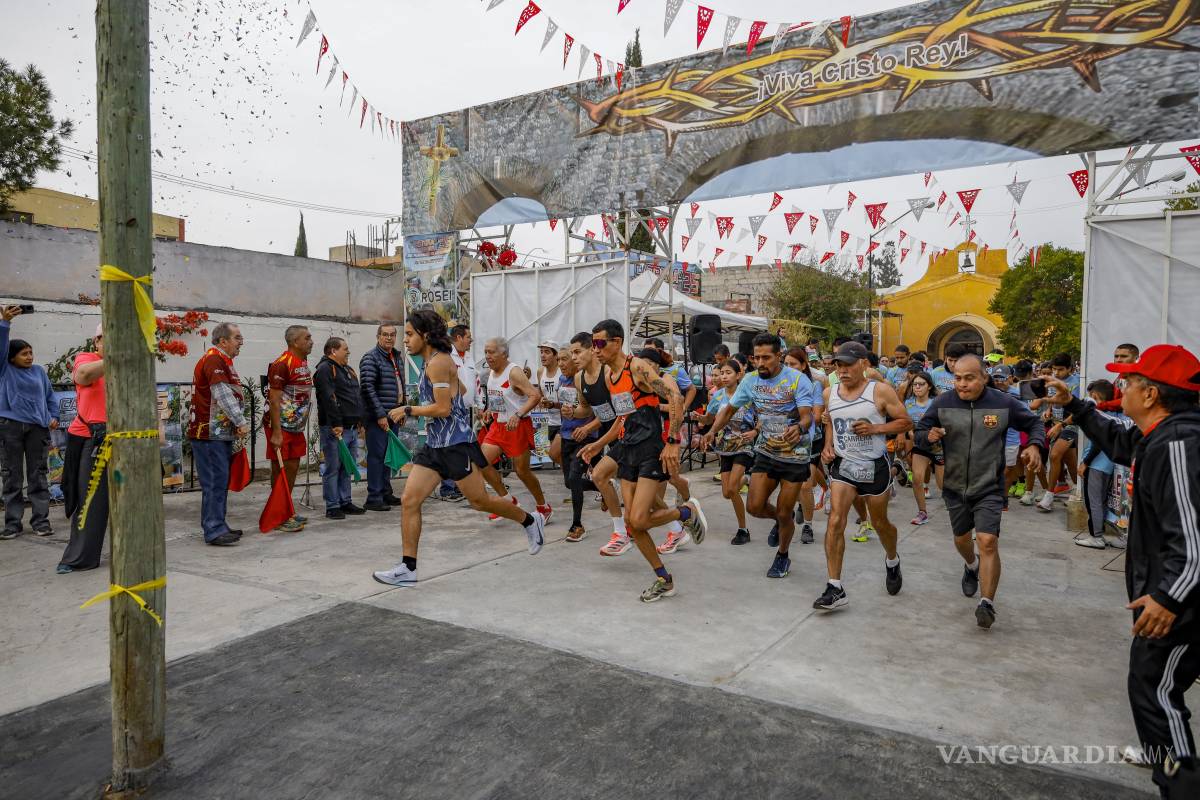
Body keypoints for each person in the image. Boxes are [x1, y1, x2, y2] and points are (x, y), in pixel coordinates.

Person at [1044, 345, 1200, 797]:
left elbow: (1192, 538)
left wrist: (1168, 597)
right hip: (1173, 590)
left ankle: (1181, 783)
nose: (1122, 387)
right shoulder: (1159, 436)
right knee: (1157, 685)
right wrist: (1076, 406)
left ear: (1151, 394)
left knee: (1155, 689)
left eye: (1129, 382)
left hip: (1180, 599)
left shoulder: (1178, 445)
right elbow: (1117, 441)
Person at [372, 311, 547, 586]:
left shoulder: (438, 363)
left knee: (480, 501)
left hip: (455, 445)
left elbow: (443, 408)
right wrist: (452, 390)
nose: (404, 340)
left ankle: (530, 520)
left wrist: (408, 409)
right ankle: (408, 568)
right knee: (409, 500)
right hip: (435, 445)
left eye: (409, 334)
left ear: (425, 335)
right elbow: (461, 391)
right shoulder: (434, 361)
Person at [914, 353, 1045, 629]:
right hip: (954, 487)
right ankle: (971, 565)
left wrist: (1034, 445)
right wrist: (929, 436)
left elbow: (1034, 423)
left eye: (969, 378)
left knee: (987, 541)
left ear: (984, 377)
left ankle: (986, 604)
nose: (962, 384)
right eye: (958, 378)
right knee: (962, 540)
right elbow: (920, 432)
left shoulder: (1003, 403)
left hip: (990, 487)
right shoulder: (943, 402)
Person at [578, 319, 705, 602]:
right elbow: (622, 418)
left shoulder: (636, 368)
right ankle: (664, 580)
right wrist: (598, 444)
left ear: (616, 342)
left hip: (650, 449)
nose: (595, 349)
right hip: (628, 450)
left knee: (638, 519)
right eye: (593, 344)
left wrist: (672, 441)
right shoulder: (610, 377)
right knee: (633, 524)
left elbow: (675, 396)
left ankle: (686, 513)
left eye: (599, 343)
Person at [706, 334, 815, 579]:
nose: (760, 363)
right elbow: (729, 409)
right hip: (766, 451)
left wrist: (800, 427)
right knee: (754, 507)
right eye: (757, 358)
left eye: (766, 357)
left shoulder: (798, 380)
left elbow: (807, 415)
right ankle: (783, 520)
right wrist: (712, 431)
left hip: (795, 454)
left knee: (785, 512)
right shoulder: (750, 380)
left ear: (779, 356)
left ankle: (782, 555)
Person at [816, 341, 910, 610]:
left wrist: (875, 429)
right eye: (838, 365)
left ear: (863, 364)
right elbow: (830, 422)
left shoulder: (879, 391)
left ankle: (892, 559)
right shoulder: (829, 393)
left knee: (880, 523)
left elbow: (905, 422)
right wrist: (828, 445)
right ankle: (835, 587)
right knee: (836, 520)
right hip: (843, 465)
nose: (842, 370)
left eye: (848, 365)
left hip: (874, 465)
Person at [186, 323, 249, 547]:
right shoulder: (214, 360)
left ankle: (218, 524)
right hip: (209, 433)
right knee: (214, 481)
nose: (241, 342)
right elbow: (222, 394)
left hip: (217, 433)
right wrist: (240, 421)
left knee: (219, 480)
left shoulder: (223, 360)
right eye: (237, 338)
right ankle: (214, 529)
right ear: (223, 341)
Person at [568, 331, 630, 555]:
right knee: (601, 477)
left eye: (577, 352)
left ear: (592, 350)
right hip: (611, 435)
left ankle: (680, 516)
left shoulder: (608, 373)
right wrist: (572, 412)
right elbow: (587, 409)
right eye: (571, 353)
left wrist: (594, 438)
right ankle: (621, 533)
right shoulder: (579, 378)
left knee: (642, 496)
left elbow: (621, 414)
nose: (573, 358)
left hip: (628, 434)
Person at [0, 306, 58, 539]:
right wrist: (5, 322)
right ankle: (13, 524)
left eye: (31, 353)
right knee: (12, 476)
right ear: (11, 357)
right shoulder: (4, 369)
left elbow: (50, 396)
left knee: (38, 474)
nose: (29, 357)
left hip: (38, 429)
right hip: (10, 427)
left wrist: (53, 416)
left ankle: (41, 521)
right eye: (24, 354)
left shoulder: (39, 372)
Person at [480, 337, 551, 521]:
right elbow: (500, 398)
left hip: (517, 427)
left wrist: (518, 415)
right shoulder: (490, 373)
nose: (487, 356)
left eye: (491, 352)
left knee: (522, 472)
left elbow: (535, 396)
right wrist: (490, 410)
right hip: (498, 426)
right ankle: (507, 501)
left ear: (504, 354)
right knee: (480, 463)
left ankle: (543, 507)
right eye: (486, 352)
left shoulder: (514, 372)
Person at [57, 323, 109, 572]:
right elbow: (83, 375)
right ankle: (78, 557)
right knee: (90, 500)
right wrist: (118, 356)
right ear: (96, 341)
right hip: (92, 438)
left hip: (126, 439)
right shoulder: (87, 358)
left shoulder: (133, 363)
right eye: (106, 338)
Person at [693, 358, 756, 544]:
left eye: (728, 373)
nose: (724, 376)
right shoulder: (718, 396)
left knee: (732, 487)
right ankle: (747, 479)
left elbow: (763, 415)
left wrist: (756, 430)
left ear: (738, 375)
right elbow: (709, 419)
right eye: (722, 373)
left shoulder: (748, 394)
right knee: (728, 493)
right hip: (725, 447)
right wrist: (699, 418)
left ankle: (743, 530)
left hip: (744, 444)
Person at [264, 325, 314, 533]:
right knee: (280, 469)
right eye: (307, 338)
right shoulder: (282, 364)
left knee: (293, 467)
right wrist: (276, 433)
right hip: (281, 426)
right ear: (295, 342)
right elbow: (274, 400)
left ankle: (287, 510)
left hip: (296, 426)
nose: (311, 341)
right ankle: (277, 515)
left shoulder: (303, 363)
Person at [313, 337, 365, 520]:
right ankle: (333, 506)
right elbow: (328, 398)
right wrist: (336, 423)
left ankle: (345, 501)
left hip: (351, 428)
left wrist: (360, 421)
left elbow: (356, 396)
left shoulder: (348, 370)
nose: (348, 352)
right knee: (333, 467)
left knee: (346, 467)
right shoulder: (325, 369)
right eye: (345, 349)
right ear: (333, 351)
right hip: (335, 429)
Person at [1074, 379, 1128, 550]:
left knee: (1093, 502)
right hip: (1108, 466)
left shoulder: (1101, 416)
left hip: (1096, 465)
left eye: (1092, 397)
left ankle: (1096, 536)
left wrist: (1085, 462)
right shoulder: (1116, 415)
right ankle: (1099, 534)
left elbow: (1098, 443)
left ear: (1096, 396)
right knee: (1102, 501)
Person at [359, 323, 405, 512]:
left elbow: (400, 385)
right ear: (378, 336)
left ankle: (385, 492)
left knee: (388, 456)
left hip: (394, 414)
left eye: (392, 335)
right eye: (385, 334)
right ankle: (374, 497)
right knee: (377, 457)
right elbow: (367, 388)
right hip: (378, 417)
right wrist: (380, 415)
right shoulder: (371, 358)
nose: (389, 338)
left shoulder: (396, 357)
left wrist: (402, 409)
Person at [554, 345, 597, 542]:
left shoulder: (585, 380)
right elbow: (566, 406)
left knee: (574, 477)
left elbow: (594, 409)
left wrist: (588, 428)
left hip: (585, 436)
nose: (561, 363)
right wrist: (553, 405)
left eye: (565, 359)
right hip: (567, 434)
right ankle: (602, 486)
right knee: (569, 482)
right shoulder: (562, 380)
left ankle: (577, 525)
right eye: (559, 359)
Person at [785, 347, 827, 544]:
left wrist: (802, 422)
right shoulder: (779, 386)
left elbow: (817, 417)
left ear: (803, 365)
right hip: (785, 439)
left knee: (805, 484)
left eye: (793, 364)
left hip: (810, 439)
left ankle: (808, 525)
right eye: (786, 364)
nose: (789, 367)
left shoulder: (814, 385)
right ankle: (801, 505)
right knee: (789, 484)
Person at [1033, 352, 1081, 512]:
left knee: (1054, 456)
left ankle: (1049, 497)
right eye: (1054, 369)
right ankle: (1079, 490)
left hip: (1071, 425)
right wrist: (1048, 410)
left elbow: (1079, 410)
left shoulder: (1077, 383)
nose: (1056, 373)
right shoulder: (1052, 381)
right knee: (1071, 464)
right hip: (1055, 424)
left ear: (1070, 369)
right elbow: (1052, 399)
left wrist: (1061, 425)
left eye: (1060, 369)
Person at [437, 323, 477, 502]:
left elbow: (475, 383)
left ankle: (458, 485)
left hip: (466, 411)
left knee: (461, 451)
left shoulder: (468, 357)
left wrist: (478, 404)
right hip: (451, 410)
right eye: (468, 337)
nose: (471, 340)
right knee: (449, 449)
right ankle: (447, 488)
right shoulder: (447, 356)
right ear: (459, 337)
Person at [901, 371, 943, 525]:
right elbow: (906, 423)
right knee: (917, 479)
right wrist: (910, 433)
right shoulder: (908, 403)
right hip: (920, 446)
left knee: (942, 484)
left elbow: (945, 424)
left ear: (929, 386)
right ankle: (922, 512)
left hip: (938, 447)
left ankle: (959, 506)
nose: (917, 387)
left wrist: (937, 433)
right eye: (915, 384)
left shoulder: (936, 403)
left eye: (921, 384)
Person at [536, 339, 563, 467]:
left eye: (547, 352)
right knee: (558, 457)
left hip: (565, 420)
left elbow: (572, 399)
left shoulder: (562, 371)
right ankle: (575, 475)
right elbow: (541, 394)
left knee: (554, 454)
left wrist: (552, 404)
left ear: (556, 355)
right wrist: (542, 400)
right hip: (551, 421)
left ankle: (579, 472)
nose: (542, 355)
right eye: (541, 352)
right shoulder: (540, 372)